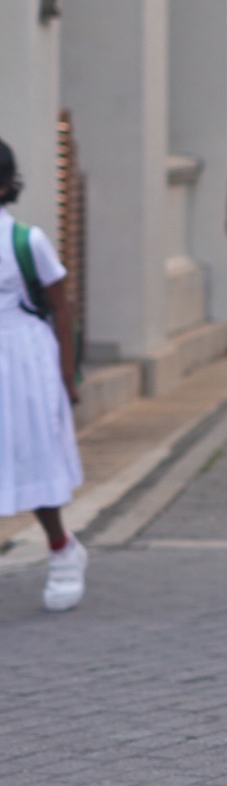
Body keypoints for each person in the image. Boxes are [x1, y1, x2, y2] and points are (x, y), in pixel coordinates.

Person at [0, 139, 86, 612]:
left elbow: (59, 309)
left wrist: (66, 378)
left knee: (31, 454)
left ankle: (62, 550)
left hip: (22, 358)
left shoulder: (25, 241)